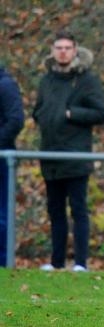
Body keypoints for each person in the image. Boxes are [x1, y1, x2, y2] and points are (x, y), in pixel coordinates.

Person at [33, 30, 104, 272]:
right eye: (59, 47)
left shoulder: (87, 80)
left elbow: (101, 113)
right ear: (53, 51)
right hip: (50, 155)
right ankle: (56, 262)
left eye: (67, 47)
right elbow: (38, 110)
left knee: (78, 210)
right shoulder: (47, 80)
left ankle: (80, 263)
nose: (63, 51)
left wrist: (71, 113)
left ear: (75, 50)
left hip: (76, 156)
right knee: (55, 211)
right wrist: (45, 117)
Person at [0, 64, 24, 267]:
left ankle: (3, 260)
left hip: (2, 158)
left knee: (1, 213)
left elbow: (15, 121)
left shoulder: (6, 85)